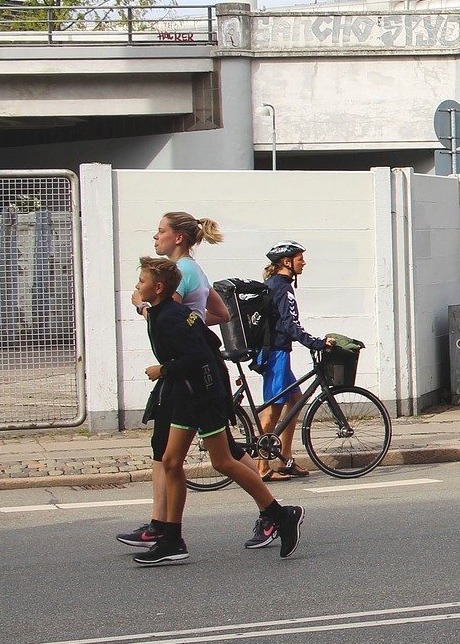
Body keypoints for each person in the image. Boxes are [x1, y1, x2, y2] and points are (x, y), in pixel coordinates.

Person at [129, 256, 302, 565]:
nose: (136, 286)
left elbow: (199, 355)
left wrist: (164, 370)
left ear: (157, 288)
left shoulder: (171, 317)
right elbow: (207, 340)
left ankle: (280, 514)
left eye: (141, 282)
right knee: (170, 462)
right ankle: (171, 539)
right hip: (190, 393)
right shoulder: (165, 312)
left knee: (222, 462)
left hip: (202, 395)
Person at [119, 212, 260, 553]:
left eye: (161, 231)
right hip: (196, 376)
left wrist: (143, 308)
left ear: (178, 238)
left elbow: (169, 316)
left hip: (187, 380)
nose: (156, 236)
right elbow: (221, 315)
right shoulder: (195, 270)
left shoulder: (179, 275)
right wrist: (196, 325)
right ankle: (164, 527)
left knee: (191, 457)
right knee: (212, 454)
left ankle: (165, 529)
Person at [254, 241, 326, 484]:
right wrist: (315, 342)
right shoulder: (282, 288)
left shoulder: (275, 285)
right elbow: (290, 324)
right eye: (299, 258)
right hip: (276, 354)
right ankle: (262, 466)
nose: (303, 262)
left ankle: (285, 459)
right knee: (272, 410)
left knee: (295, 400)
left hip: (276, 352)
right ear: (286, 262)